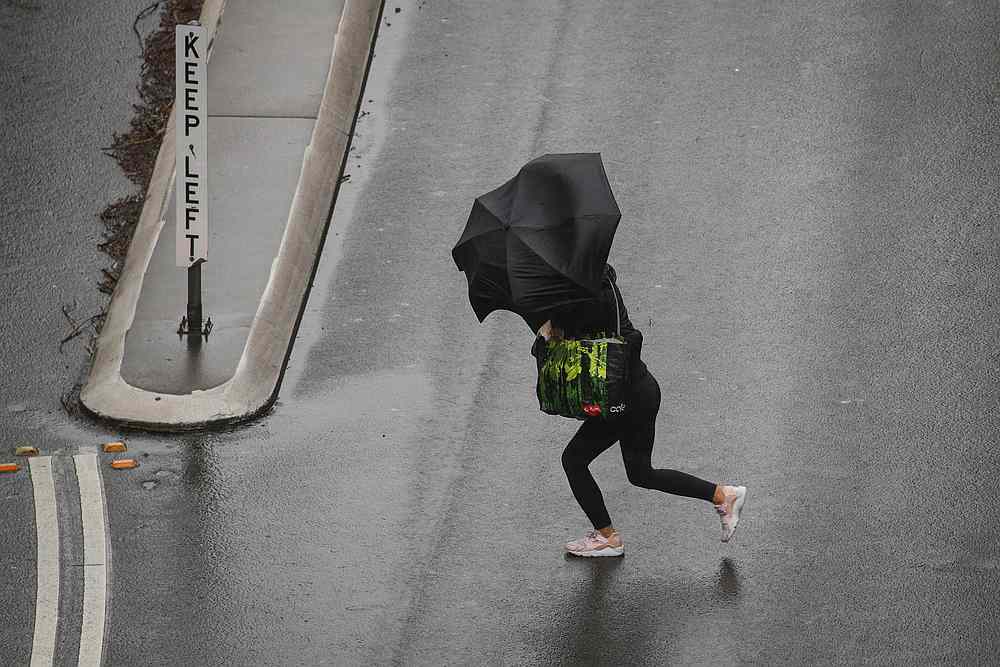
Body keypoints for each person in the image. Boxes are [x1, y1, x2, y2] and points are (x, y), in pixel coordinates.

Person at [531, 264, 747, 557]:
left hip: (625, 400)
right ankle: (722, 494)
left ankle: (608, 537)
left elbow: (583, 339)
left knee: (574, 460)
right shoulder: (597, 281)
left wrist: (551, 327)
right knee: (641, 473)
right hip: (638, 392)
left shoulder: (591, 295)